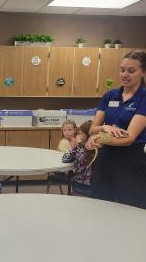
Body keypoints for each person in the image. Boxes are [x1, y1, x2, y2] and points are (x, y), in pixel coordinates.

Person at [87, 51, 146, 209]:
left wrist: (99, 138)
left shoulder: (144, 99)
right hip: (104, 159)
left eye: (131, 71)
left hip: (130, 161)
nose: (125, 74)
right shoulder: (110, 96)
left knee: (132, 209)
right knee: (98, 206)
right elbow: (92, 129)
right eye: (122, 70)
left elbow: (129, 138)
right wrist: (104, 127)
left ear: (143, 72)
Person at [62, 121, 95, 196]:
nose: (78, 136)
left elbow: (65, 159)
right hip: (94, 185)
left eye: (81, 133)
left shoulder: (79, 149)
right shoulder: (98, 148)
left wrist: (74, 147)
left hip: (79, 183)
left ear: (89, 136)